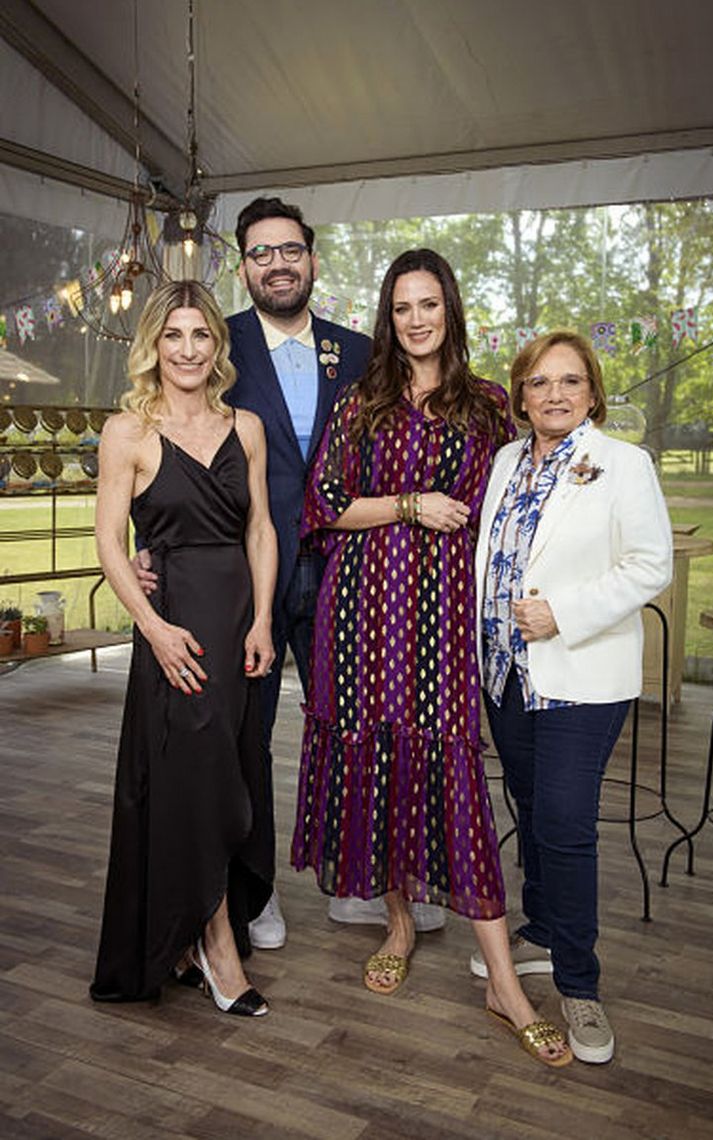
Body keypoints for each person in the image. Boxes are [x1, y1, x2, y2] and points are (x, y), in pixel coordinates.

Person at [135, 197, 444, 946]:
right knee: (246, 734)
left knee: (357, 728)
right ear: (243, 267)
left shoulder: (359, 351)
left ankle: (359, 884)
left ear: (312, 258)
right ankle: (254, 892)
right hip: (249, 575)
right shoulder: (215, 341)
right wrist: (152, 542)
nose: (278, 264)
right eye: (261, 253)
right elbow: (168, 439)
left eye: (290, 250)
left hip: (352, 570)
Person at [291, 249, 572, 1068]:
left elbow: (513, 508)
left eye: (428, 304)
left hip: (442, 617)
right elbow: (325, 505)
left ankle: (501, 982)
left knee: (452, 774)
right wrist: (412, 504)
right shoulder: (362, 400)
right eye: (402, 307)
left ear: (450, 308)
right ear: (390, 317)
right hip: (358, 612)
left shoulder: (487, 406)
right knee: (377, 763)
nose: (416, 319)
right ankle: (400, 923)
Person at [472, 329, 672, 1063]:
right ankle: (543, 929)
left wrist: (565, 611)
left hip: (580, 676)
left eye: (570, 381)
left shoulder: (623, 464)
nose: (554, 394)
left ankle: (579, 985)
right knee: (530, 808)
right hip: (507, 675)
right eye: (539, 382)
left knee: (564, 822)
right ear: (520, 396)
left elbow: (650, 565)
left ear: (592, 393)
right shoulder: (504, 461)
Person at [90, 280, 277, 1017]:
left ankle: (194, 932)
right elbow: (110, 543)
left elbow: (260, 528)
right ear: (154, 346)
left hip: (237, 624)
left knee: (231, 771)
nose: (189, 349)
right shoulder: (127, 433)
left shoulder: (247, 427)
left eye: (201, 335)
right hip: (175, 629)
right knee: (191, 780)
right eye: (174, 335)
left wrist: (264, 620)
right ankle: (215, 943)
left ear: (217, 347)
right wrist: (153, 628)